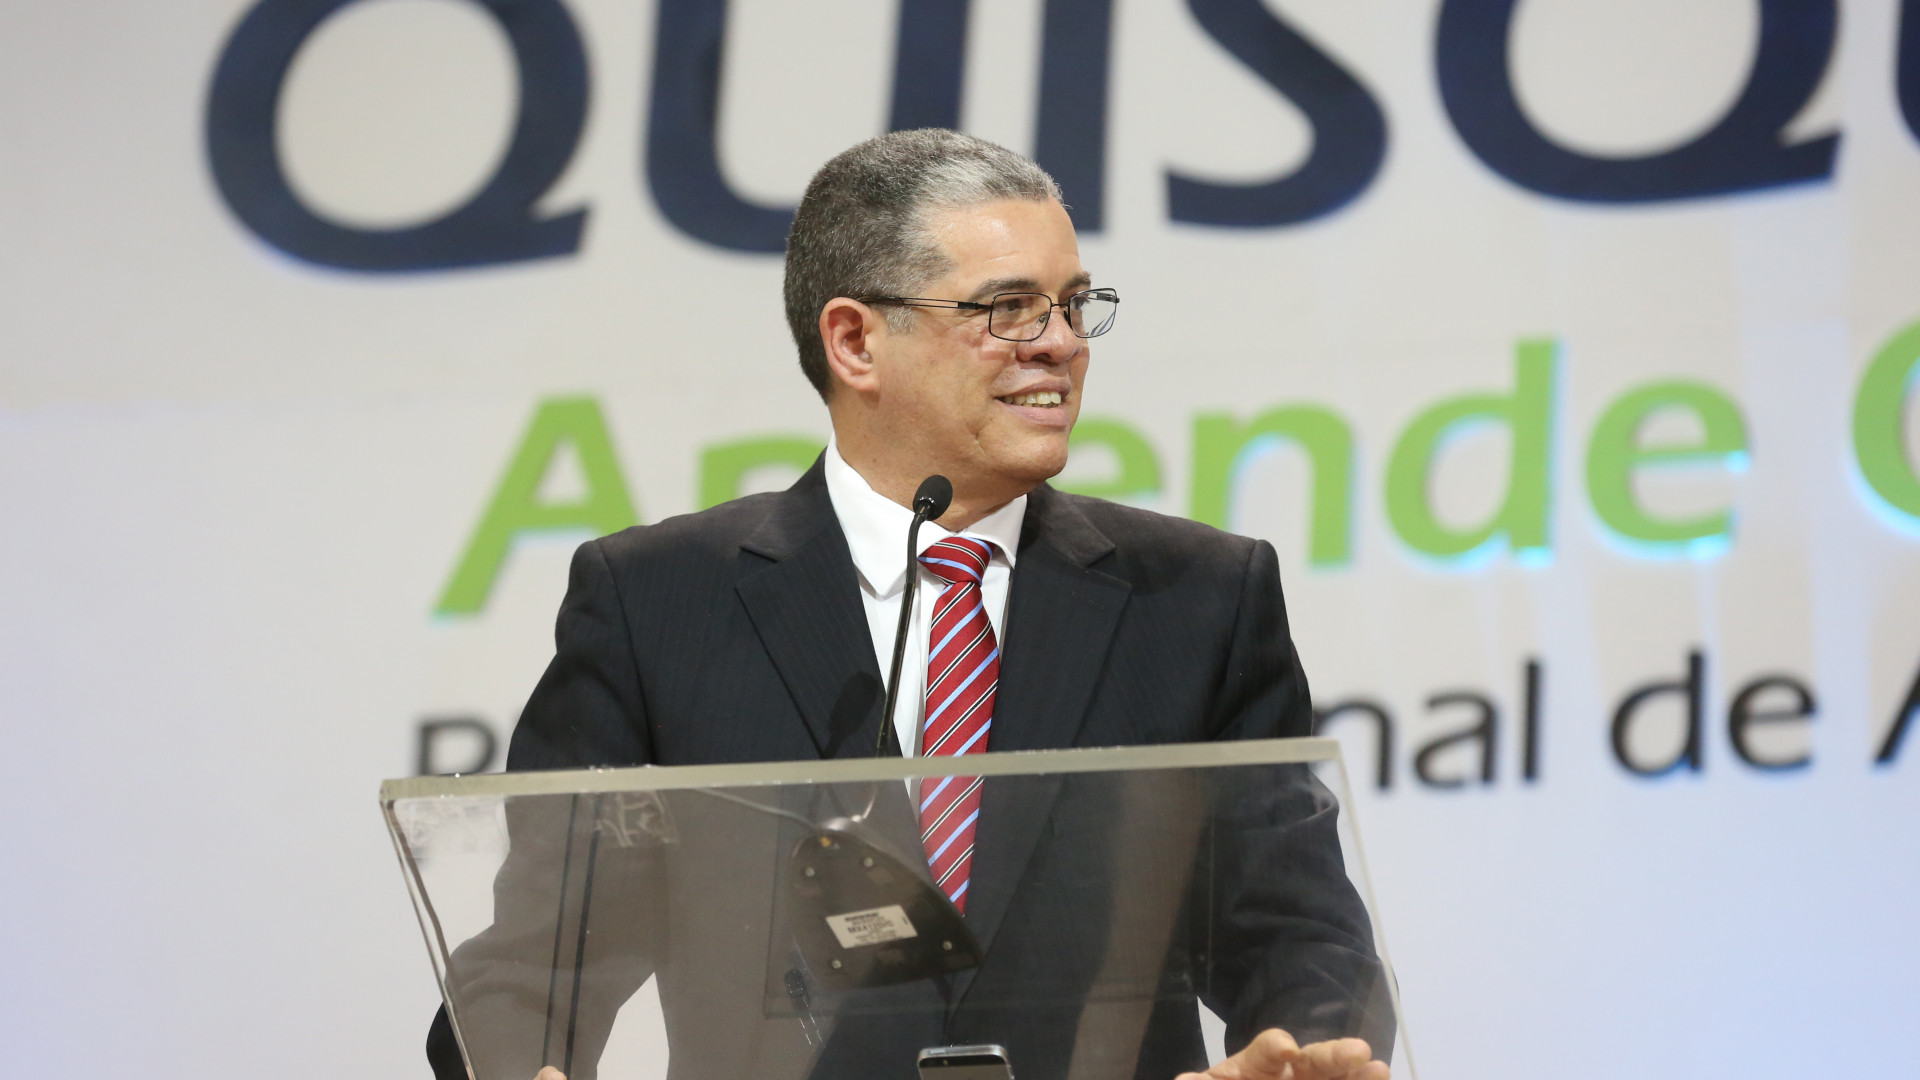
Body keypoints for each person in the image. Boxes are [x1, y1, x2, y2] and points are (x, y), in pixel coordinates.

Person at [427, 129, 1392, 1080]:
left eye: (1071, 305)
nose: (1060, 344)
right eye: (1008, 309)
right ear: (855, 341)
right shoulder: (658, 604)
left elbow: (1299, 937)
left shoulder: (1198, 599)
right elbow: (532, 967)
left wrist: (1305, 1056)